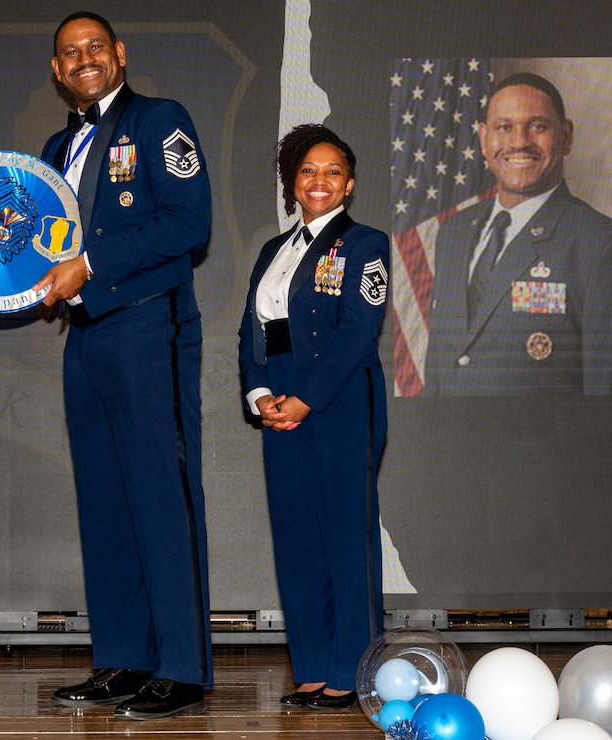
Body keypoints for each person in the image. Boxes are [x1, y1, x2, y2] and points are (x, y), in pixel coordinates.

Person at [31, 11, 213, 721]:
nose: (84, 59)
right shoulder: (55, 145)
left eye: (95, 48)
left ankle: (182, 666)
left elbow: (187, 223)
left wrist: (93, 265)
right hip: (86, 337)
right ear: (56, 70)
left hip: (147, 326)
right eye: (70, 53)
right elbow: (31, 240)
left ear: (120, 55)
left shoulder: (161, 120)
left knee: (159, 497)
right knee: (104, 503)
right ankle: (123, 658)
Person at [237, 124, 387, 710]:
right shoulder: (273, 251)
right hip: (281, 395)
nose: (318, 180)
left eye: (331, 171)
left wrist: (307, 398)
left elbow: (358, 333)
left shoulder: (366, 244)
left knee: (346, 539)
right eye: (307, 171)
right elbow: (254, 334)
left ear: (348, 184)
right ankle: (311, 668)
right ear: (292, 184)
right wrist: (261, 397)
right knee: (298, 539)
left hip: (339, 396)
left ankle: (352, 670)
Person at [425, 72, 612, 395]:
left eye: (537, 126)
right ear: (483, 138)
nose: (519, 142)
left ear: (566, 137)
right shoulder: (453, 232)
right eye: (504, 127)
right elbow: (441, 371)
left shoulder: (598, 243)